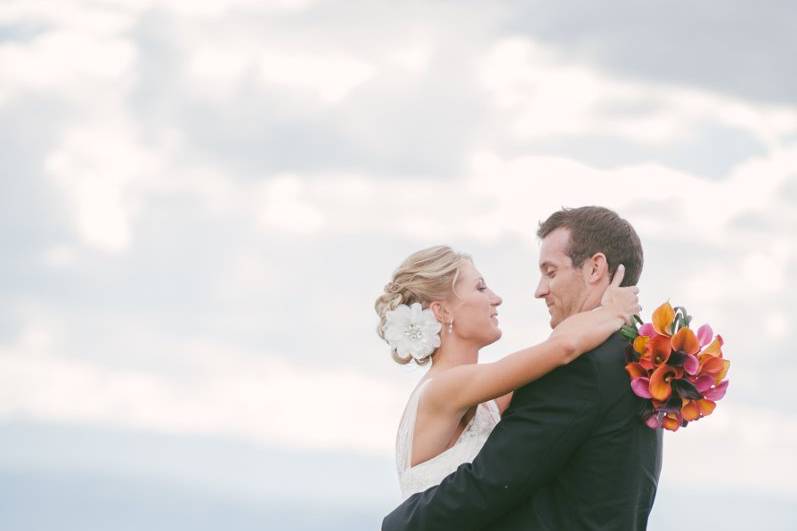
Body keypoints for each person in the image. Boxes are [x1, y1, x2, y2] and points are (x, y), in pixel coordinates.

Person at [381, 206, 663, 531]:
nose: (498, 298)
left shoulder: (506, 389)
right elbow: (561, 348)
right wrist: (611, 313)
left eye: (550, 271)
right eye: (481, 288)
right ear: (442, 311)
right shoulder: (445, 387)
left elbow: (556, 353)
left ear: (596, 267)